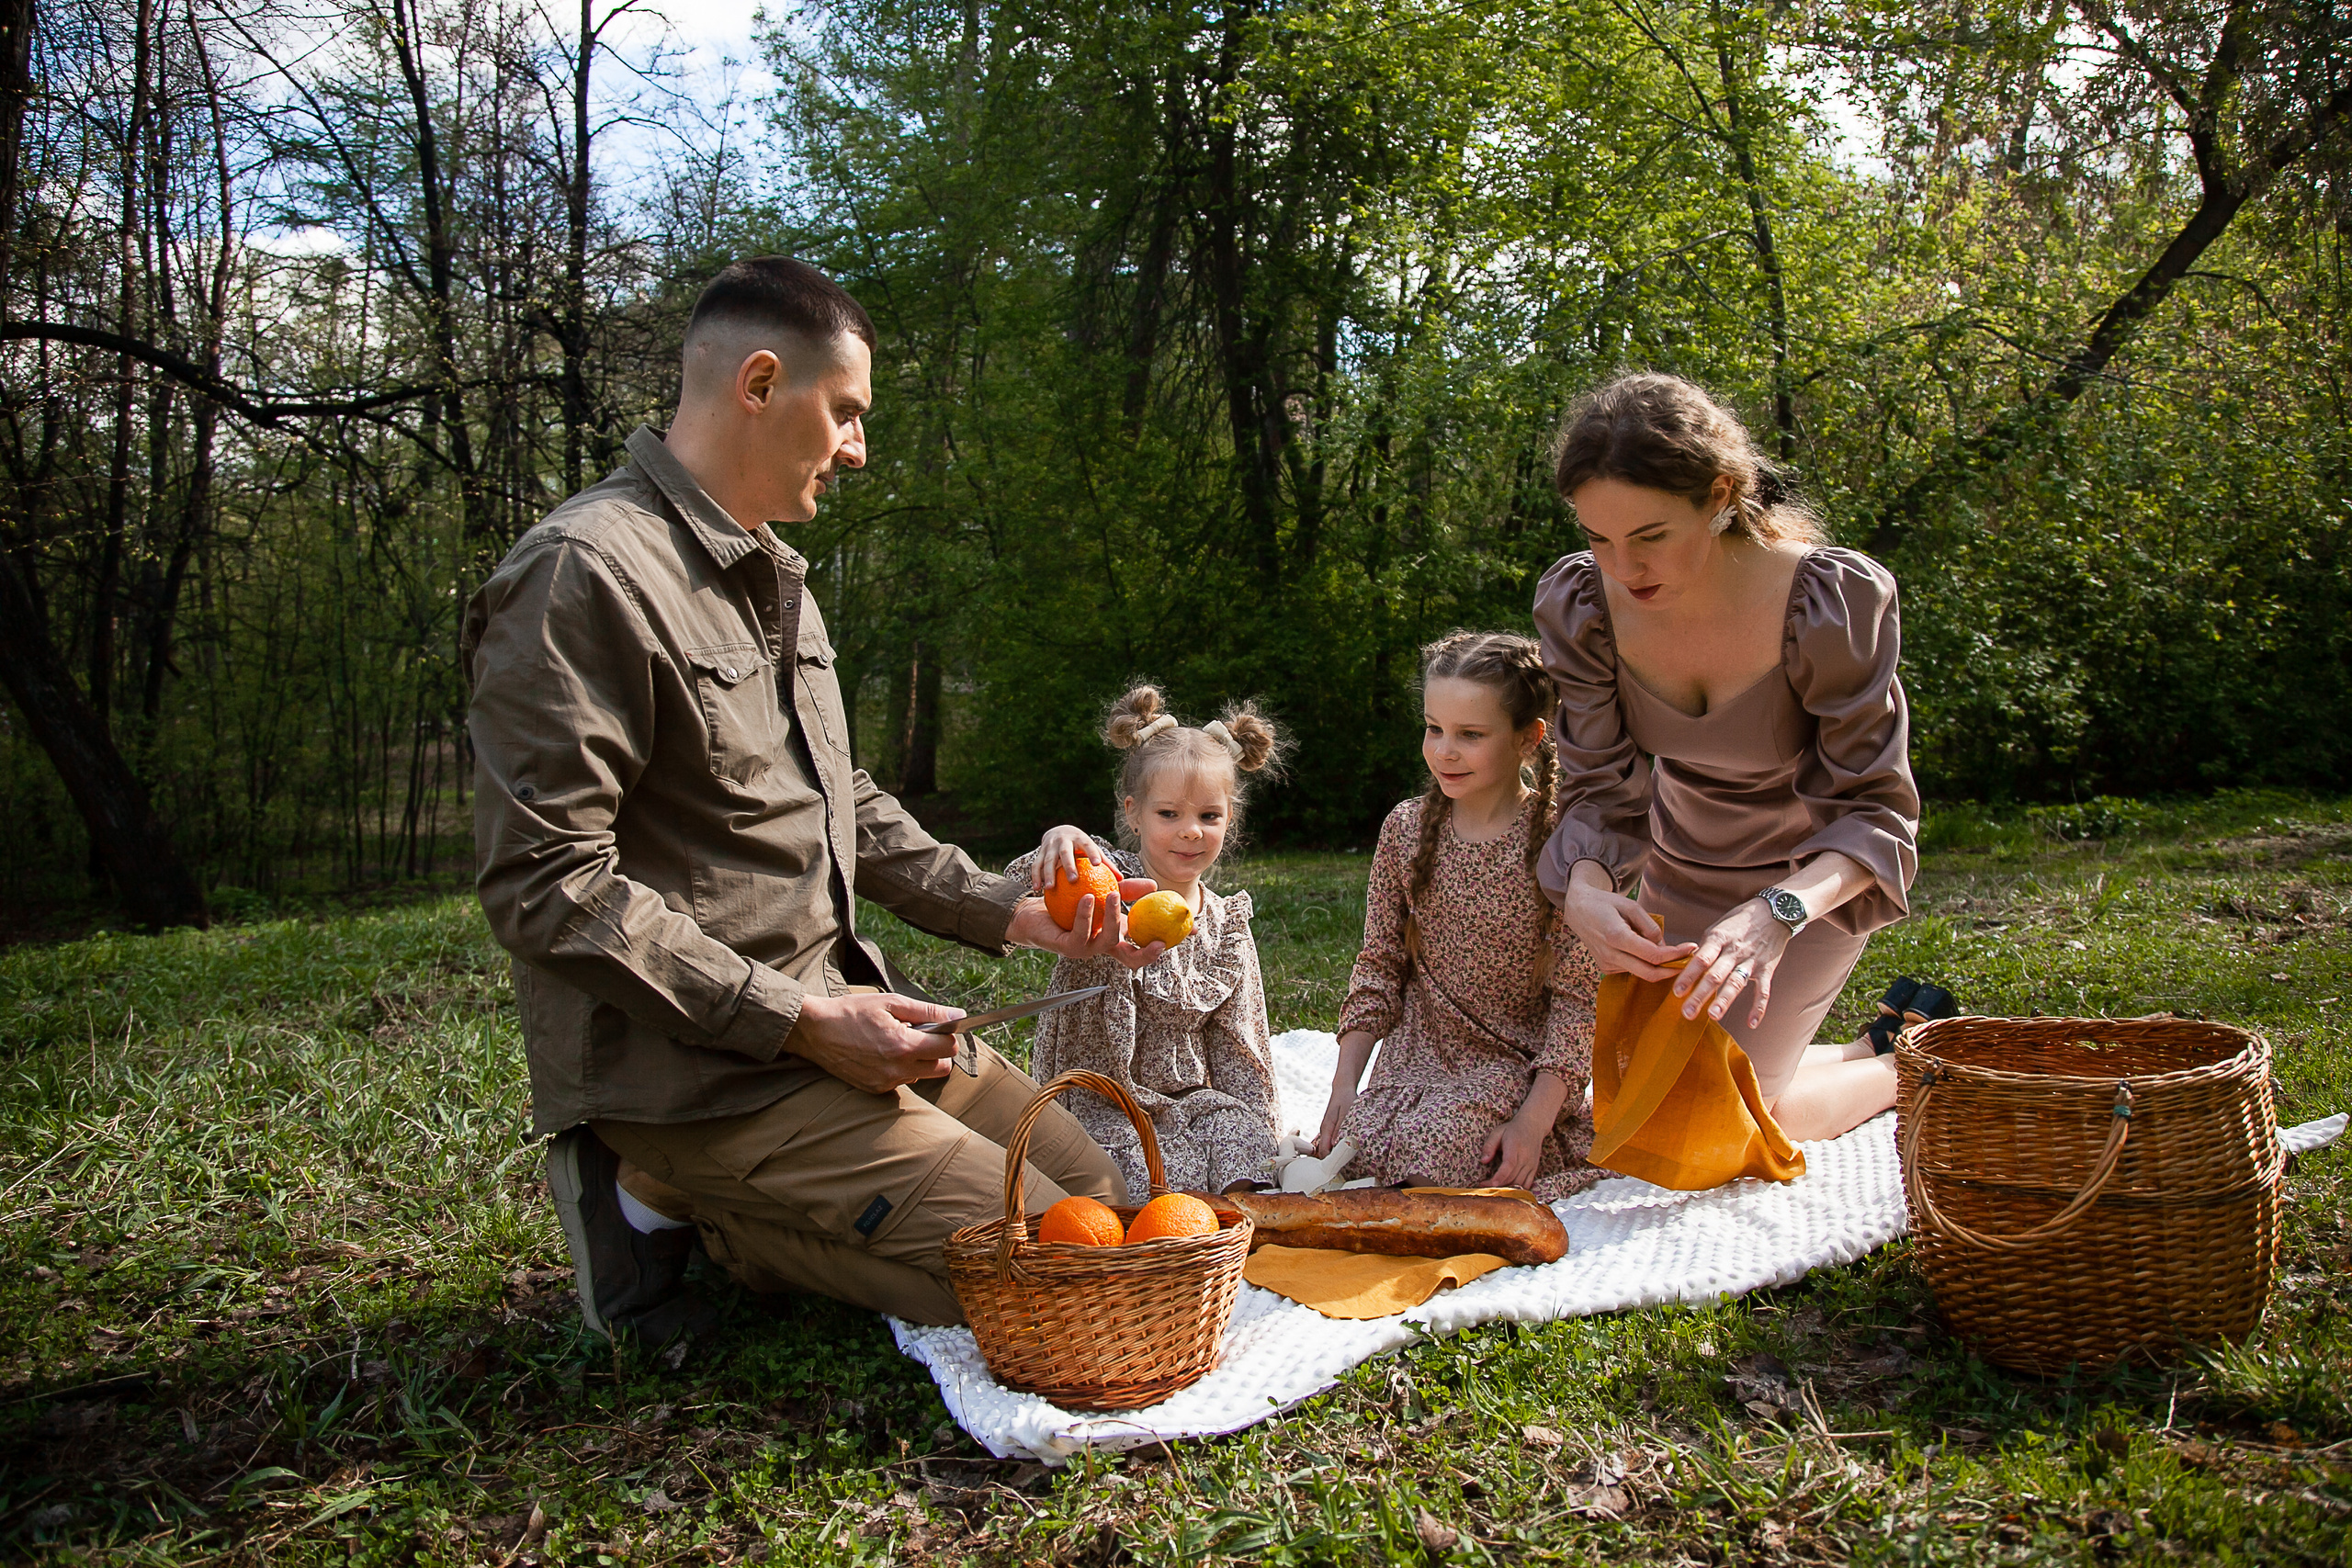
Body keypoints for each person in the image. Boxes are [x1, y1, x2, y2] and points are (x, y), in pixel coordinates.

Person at [462, 257, 1168, 1337]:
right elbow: (547, 886)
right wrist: (797, 1025)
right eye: (845, 412)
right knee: (1058, 1284)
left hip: (844, 1023)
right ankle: (671, 1205)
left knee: (1102, 1203)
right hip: (702, 1074)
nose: (858, 448)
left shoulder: (777, 577)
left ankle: (719, 1205)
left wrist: (1005, 909)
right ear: (757, 383)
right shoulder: (581, 574)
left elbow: (848, 798)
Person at [1534, 372, 1936, 1145]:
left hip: (1804, 886)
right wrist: (1584, 886)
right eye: (1598, 537)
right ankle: (1854, 1047)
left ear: (1720, 494)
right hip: (1678, 867)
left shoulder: (1828, 603)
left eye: (1650, 536)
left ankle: (1905, 1058)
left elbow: (1875, 818)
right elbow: (1597, 793)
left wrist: (1775, 915)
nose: (1622, 567)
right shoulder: (1583, 606)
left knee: (1726, 1130)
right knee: (1622, 1117)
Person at [1312, 632, 1606, 1201]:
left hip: (1512, 1068)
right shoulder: (1405, 829)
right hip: (1416, 1061)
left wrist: (1533, 1122)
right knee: (1356, 1152)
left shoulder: (1563, 840)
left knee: (1437, 1165)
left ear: (1528, 739)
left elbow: (1579, 1001)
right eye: (1433, 728)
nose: (1444, 750)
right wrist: (1344, 1085)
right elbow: (1378, 966)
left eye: (1470, 735)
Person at [1010, 687, 1284, 1198]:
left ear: (1232, 820)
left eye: (1208, 816)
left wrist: (1262, 1127)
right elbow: (1023, 885)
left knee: (1245, 1139)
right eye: (1169, 815)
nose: (1190, 833)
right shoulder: (1108, 880)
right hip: (1100, 1096)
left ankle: (1237, 1218)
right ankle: (1173, 1219)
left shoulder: (1226, 927)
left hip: (1188, 1097)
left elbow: (1242, 1044)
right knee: (1129, 1172)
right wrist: (1060, 840)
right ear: (1133, 813)